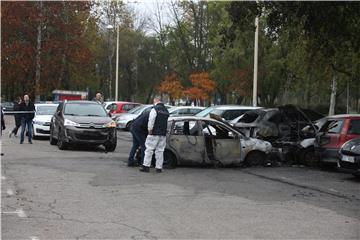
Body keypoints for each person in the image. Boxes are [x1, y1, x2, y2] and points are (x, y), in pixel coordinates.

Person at [140, 96, 169, 173]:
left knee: (149, 149)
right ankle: (159, 167)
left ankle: (146, 166)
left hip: (154, 132)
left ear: (156, 100)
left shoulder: (155, 109)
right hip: (163, 133)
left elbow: (151, 120)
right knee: (160, 150)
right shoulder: (166, 110)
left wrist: (150, 129)